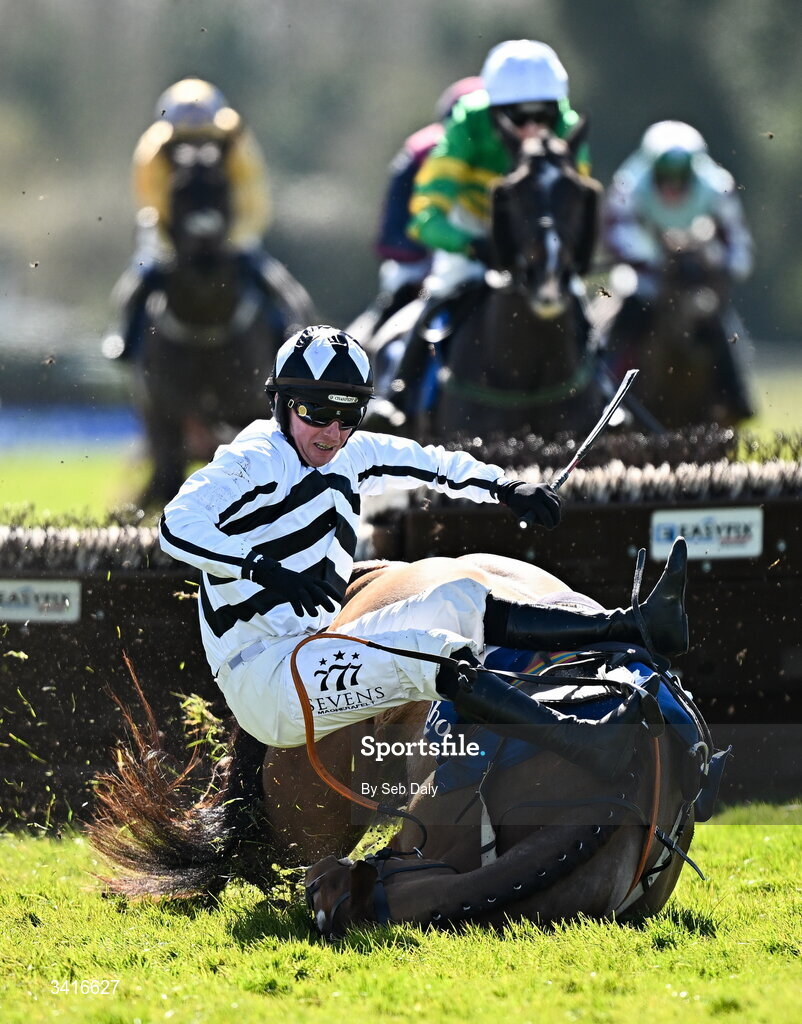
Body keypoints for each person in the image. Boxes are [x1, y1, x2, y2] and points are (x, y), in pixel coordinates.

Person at [159, 325, 688, 779]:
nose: (333, 433)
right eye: (317, 412)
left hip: (317, 644)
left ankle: (631, 627)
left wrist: (508, 488)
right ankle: (585, 744)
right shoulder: (255, 458)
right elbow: (175, 525)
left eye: (349, 416)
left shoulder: (353, 451)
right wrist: (260, 568)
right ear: (280, 404)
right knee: (435, 650)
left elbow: (432, 463)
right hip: (265, 679)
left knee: (458, 598)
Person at [390, 39, 596, 419]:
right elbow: (425, 216)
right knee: (438, 299)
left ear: (558, 109)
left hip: (536, 241)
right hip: (472, 231)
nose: (533, 128)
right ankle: (397, 397)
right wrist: (470, 246)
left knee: (579, 302)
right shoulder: (468, 120)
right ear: (496, 111)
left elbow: (575, 208)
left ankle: (603, 390)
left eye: (544, 116)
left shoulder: (569, 128)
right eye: (519, 117)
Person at [105, 77, 274, 362]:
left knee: (274, 283)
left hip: (232, 232)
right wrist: (175, 240)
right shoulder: (154, 148)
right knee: (139, 278)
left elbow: (254, 197)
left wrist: (235, 237)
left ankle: (290, 333)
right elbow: (150, 201)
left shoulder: (235, 141)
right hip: (169, 234)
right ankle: (124, 335)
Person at [601, 120, 754, 414]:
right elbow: (617, 233)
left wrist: (718, 261)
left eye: (679, 178)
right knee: (624, 320)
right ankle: (606, 390)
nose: (672, 187)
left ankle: (734, 397)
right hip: (647, 276)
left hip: (695, 278)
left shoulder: (717, 187)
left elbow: (737, 242)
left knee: (716, 322)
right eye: (665, 177)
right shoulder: (629, 185)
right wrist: (656, 254)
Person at [373, 76, 484, 316]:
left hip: (480, 252)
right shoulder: (420, 150)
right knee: (395, 302)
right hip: (419, 255)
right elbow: (397, 214)